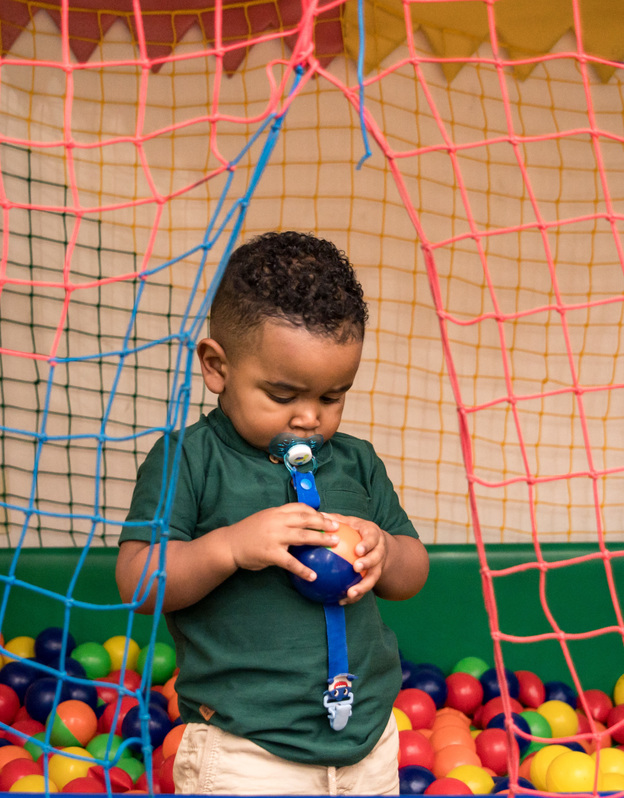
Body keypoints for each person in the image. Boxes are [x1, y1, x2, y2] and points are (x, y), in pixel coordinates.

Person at [116, 231, 430, 796]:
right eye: (283, 396)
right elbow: (138, 581)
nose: (309, 417)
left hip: (367, 738)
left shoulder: (355, 463)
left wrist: (385, 548)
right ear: (217, 367)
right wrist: (229, 548)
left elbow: (413, 573)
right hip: (245, 748)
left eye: (332, 397)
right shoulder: (190, 460)